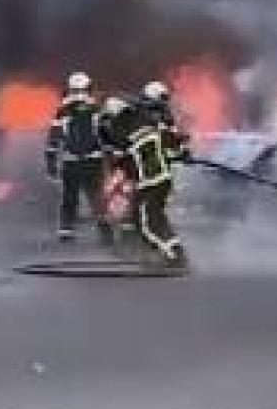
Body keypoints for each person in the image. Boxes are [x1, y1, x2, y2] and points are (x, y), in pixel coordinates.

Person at [101, 91, 189, 273]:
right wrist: (180, 152)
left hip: (149, 182)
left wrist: (108, 142)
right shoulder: (150, 126)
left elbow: (120, 160)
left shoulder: (124, 133)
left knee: (144, 224)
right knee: (156, 218)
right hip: (163, 180)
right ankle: (169, 250)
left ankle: (174, 256)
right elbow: (174, 143)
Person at [44, 72, 112, 245]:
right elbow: (106, 135)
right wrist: (112, 158)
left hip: (70, 161)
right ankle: (105, 231)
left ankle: (66, 231)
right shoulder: (97, 108)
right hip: (93, 160)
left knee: (69, 197)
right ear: (89, 88)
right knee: (96, 196)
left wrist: (51, 164)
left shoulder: (63, 110)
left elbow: (54, 138)